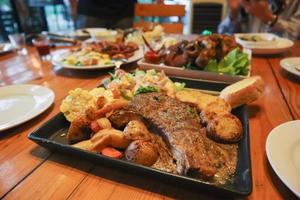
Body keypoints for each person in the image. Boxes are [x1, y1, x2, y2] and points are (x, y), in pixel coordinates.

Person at [218, 0, 300, 40]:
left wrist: (269, 18)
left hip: (282, 61)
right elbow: (222, 33)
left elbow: (295, 38)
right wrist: (233, 13)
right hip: (246, 56)